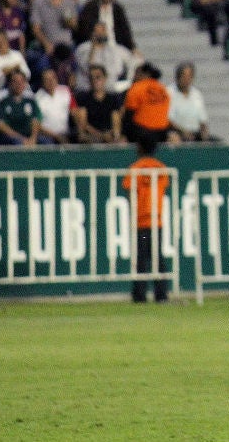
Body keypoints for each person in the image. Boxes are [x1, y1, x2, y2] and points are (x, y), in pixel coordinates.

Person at [122, 136, 170, 303]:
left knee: (141, 259)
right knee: (158, 258)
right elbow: (163, 189)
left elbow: (129, 191)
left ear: (140, 148)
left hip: (140, 222)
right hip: (156, 221)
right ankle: (161, 294)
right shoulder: (161, 168)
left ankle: (139, 295)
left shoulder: (135, 168)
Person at [72, 65, 124, 144]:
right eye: (91, 78)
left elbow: (116, 122)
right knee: (84, 138)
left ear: (105, 78)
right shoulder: (83, 98)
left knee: (122, 140)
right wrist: (101, 135)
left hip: (108, 134)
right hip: (91, 135)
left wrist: (113, 135)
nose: (94, 80)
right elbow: (83, 123)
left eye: (98, 77)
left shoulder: (113, 98)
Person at [122, 62, 171, 143]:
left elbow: (129, 115)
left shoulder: (137, 88)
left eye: (137, 73)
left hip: (142, 133)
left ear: (145, 74)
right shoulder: (163, 90)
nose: (134, 77)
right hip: (161, 133)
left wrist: (124, 133)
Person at [167, 61, 210, 142]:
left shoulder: (197, 94)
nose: (187, 80)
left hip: (195, 134)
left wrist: (204, 132)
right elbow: (169, 120)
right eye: (184, 76)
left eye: (189, 76)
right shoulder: (169, 93)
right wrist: (184, 132)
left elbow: (203, 119)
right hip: (176, 133)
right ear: (177, 77)